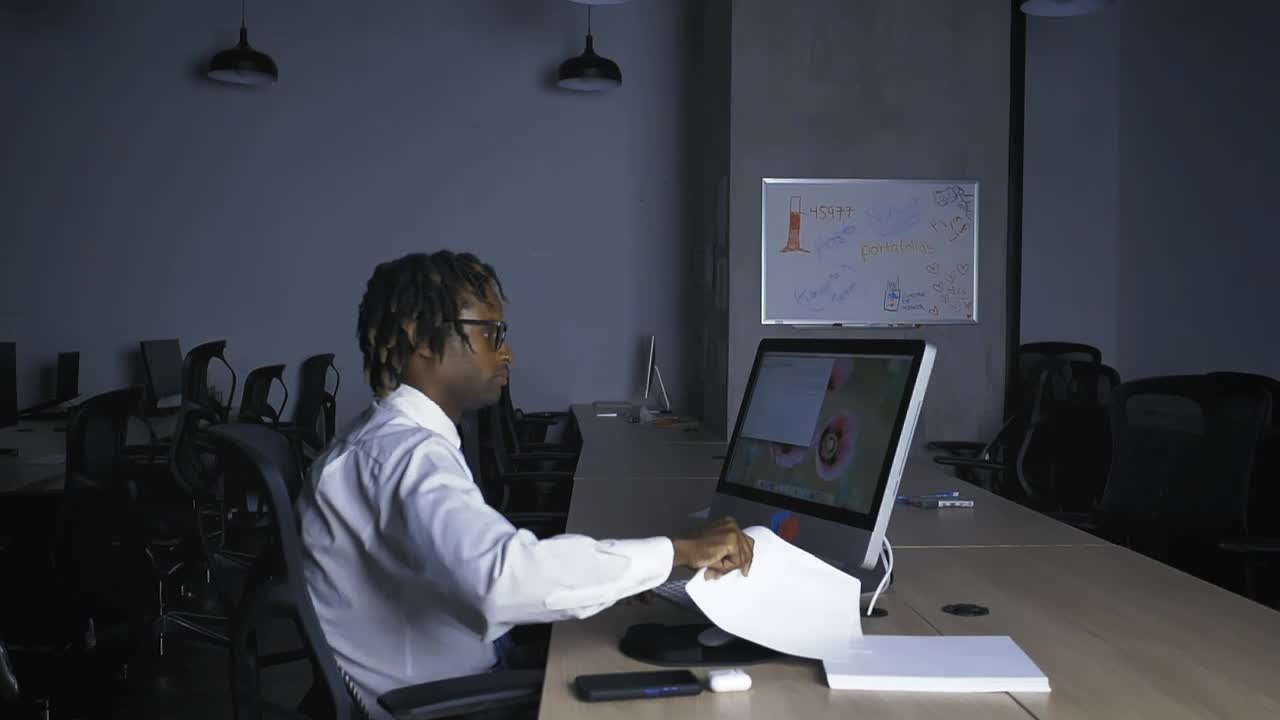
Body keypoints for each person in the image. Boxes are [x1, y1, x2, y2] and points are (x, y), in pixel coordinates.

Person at [296, 251, 753, 717]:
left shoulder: (382, 442)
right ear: (420, 339)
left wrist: (620, 575)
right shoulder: (405, 455)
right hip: (449, 702)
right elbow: (500, 579)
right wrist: (675, 551)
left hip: (461, 671)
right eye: (490, 333)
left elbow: (471, 563)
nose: (506, 352)